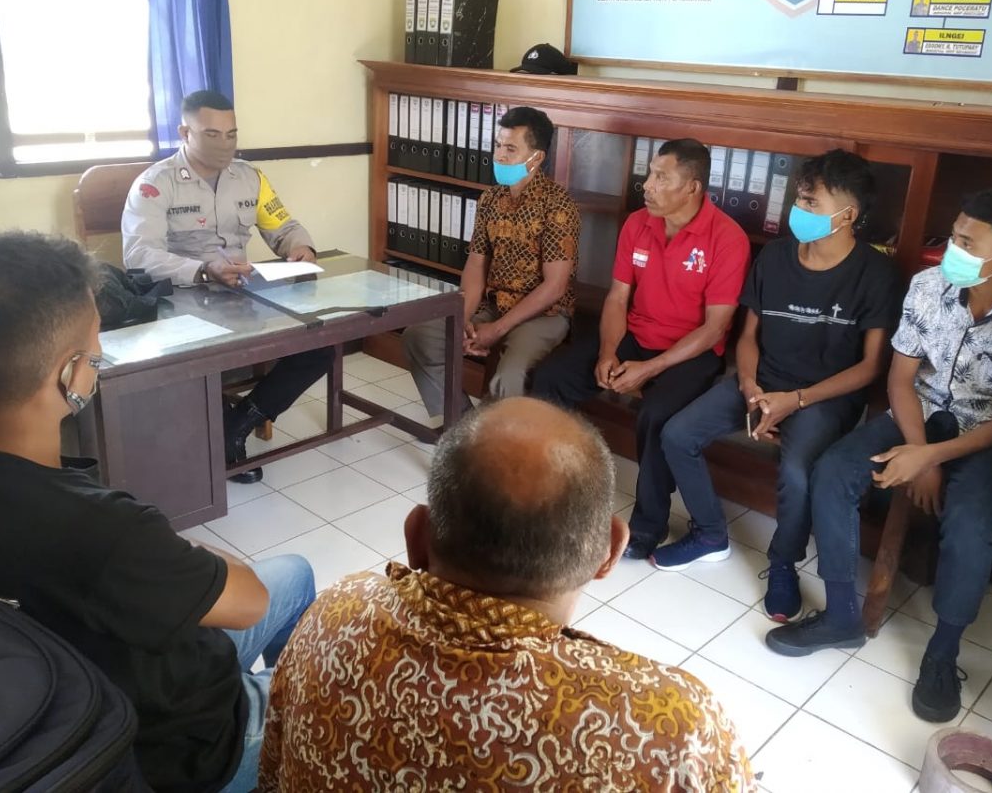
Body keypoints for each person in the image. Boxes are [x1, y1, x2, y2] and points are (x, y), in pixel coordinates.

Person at [0, 231, 316, 792]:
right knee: (323, 679)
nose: (99, 355)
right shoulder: (106, 531)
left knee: (294, 572)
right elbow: (249, 602)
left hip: (86, 683)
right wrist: (167, 543)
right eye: (95, 342)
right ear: (69, 375)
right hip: (184, 745)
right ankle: (284, 756)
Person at [258, 397, 755, 791]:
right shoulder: (669, 728)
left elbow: (273, 772)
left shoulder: (335, 611)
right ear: (609, 551)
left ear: (416, 537)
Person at [766, 189, 992, 724]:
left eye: (968, 243)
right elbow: (901, 379)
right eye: (954, 236)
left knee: (972, 519)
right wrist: (920, 452)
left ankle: (942, 653)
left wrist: (928, 458)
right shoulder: (928, 287)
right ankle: (840, 616)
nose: (953, 249)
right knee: (833, 471)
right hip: (920, 412)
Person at [656, 151, 899, 623]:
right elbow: (748, 336)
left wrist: (796, 401)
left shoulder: (875, 274)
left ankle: (783, 563)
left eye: (811, 202)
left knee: (797, 472)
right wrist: (750, 386)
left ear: (848, 215)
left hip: (824, 396)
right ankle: (709, 533)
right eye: (799, 199)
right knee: (677, 434)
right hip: (763, 382)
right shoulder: (775, 256)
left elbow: (871, 367)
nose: (799, 210)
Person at [532, 139, 751, 560]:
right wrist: (608, 352)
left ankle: (649, 523)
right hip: (635, 333)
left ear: (692, 187)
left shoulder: (727, 238)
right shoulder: (638, 223)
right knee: (551, 378)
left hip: (691, 351)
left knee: (656, 414)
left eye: (661, 177)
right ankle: (550, 485)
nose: (647, 185)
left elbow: (715, 328)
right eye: (650, 174)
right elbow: (618, 297)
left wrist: (650, 369)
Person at [121, 89, 333, 482]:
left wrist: (300, 247)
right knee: (201, 356)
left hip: (241, 292)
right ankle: (219, 433)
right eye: (212, 134)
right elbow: (139, 255)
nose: (225, 144)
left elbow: (282, 226)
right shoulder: (155, 184)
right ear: (185, 133)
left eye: (231, 134)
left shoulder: (249, 177)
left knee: (321, 342)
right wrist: (203, 270)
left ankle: (238, 422)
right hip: (181, 298)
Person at [403, 106, 580, 416]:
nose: (499, 155)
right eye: (498, 145)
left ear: (536, 157)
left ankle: (499, 441)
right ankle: (463, 425)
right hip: (494, 303)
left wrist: (497, 330)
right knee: (420, 337)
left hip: (544, 313)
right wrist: (463, 319)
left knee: (509, 376)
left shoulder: (558, 205)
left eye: (510, 149)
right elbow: (476, 265)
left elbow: (555, 287)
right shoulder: (490, 199)